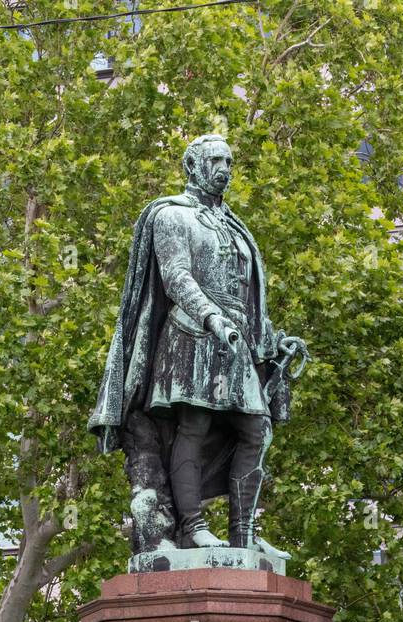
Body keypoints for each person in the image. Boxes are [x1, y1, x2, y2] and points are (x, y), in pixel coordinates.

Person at [89, 133, 306, 553]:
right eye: (215, 162)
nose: (224, 170)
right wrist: (212, 317)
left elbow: (249, 294)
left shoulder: (235, 225)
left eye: (229, 161)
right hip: (191, 331)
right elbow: (176, 276)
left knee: (256, 430)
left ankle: (244, 535)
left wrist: (272, 342)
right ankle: (193, 526)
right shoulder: (171, 215)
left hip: (238, 339)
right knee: (194, 424)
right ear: (193, 167)